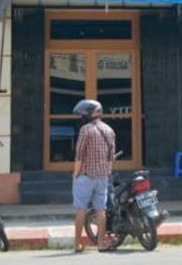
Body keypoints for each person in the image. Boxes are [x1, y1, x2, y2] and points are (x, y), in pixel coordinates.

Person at [71, 99, 116, 253]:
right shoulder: (109, 130)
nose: (82, 116)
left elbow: (79, 155)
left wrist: (75, 174)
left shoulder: (86, 130)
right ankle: (101, 244)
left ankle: (77, 244)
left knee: (81, 209)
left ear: (91, 113)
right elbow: (111, 158)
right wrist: (106, 172)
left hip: (85, 175)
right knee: (101, 210)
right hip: (103, 176)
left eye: (84, 113)